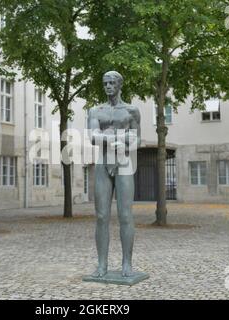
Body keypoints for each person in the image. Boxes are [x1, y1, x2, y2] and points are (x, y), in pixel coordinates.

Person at [88, 71, 141, 277]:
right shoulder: (95, 110)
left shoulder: (132, 110)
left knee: (125, 215)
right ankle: (102, 265)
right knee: (101, 216)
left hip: (124, 163)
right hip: (103, 163)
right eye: (105, 83)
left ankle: (126, 263)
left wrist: (113, 137)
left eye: (112, 83)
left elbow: (137, 139)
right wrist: (116, 139)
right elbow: (93, 136)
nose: (108, 86)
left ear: (120, 85)